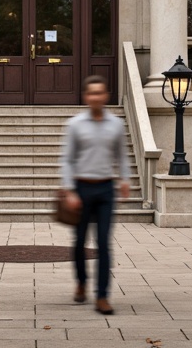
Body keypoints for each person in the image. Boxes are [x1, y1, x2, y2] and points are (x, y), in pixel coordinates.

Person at [59, 74, 130, 315]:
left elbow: (121, 156)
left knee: (103, 243)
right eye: (92, 93)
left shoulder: (116, 125)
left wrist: (125, 180)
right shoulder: (75, 125)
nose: (96, 97)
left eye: (100, 92)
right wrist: (70, 190)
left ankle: (102, 296)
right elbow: (67, 160)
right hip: (81, 189)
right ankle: (81, 281)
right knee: (79, 242)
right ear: (86, 97)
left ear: (106, 95)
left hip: (105, 189)